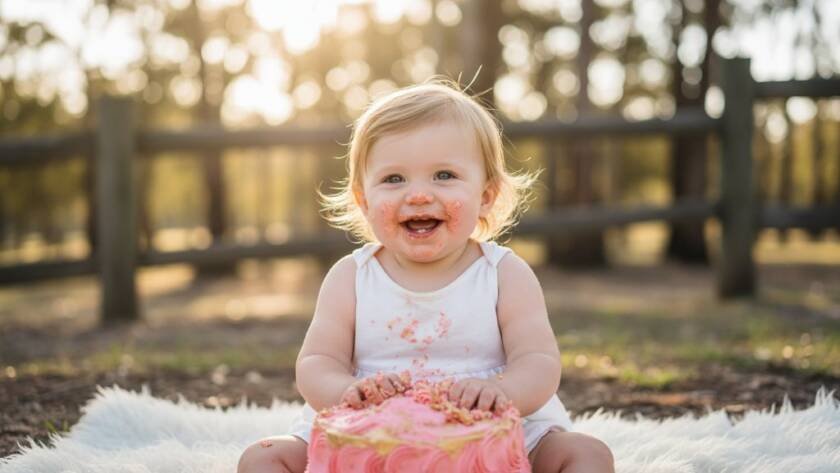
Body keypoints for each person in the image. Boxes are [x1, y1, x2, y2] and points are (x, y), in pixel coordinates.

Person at [238, 80, 615, 473]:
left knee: (588, 454)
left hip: (494, 427)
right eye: (394, 179)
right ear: (364, 200)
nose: (418, 195)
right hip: (370, 430)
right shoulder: (351, 276)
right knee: (262, 457)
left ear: (485, 195)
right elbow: (317, 361)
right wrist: (346, 392)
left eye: (444, 175)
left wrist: (502, 392)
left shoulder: (502, 273)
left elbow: (538, 361)